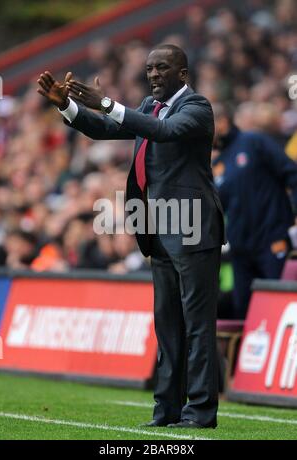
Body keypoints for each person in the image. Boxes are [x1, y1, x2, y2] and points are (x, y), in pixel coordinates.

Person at [37, 44, 225, 429]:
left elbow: (165, 132)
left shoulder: (197, 108)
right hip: (160, 229)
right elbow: (106, 129)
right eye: (150, 68)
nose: (153, 74)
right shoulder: (147, 107)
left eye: (162, 68)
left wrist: (107, 102)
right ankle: (167, 411)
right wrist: (67, 107)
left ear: (183, 75)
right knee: (167, 325)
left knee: (197, 324)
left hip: (193, 228)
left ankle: (201, 412)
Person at [212, 103, 297, 319]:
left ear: (222, 123)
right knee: (245, 314)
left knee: (280, 307)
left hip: (272, 242)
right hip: (241, 253)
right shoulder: (217, 164)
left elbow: (292, 174)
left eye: (203, 125)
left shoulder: (253, 141)